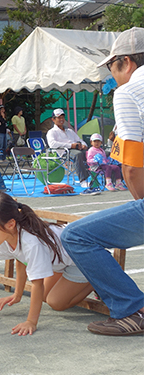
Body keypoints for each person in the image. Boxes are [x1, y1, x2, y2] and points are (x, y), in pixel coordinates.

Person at [61, 27, 144, 336]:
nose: (112, 76)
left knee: (76, 237)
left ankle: (131, 309)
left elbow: (132, 168)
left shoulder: (128, 92)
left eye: (111, 68)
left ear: (125, 62)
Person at [0, 191, 93, 336]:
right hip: (62, 263)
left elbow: (37, 283)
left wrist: (31, 321)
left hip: (82, 258)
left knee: (56, 302)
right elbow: (21, 261)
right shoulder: (4, 236)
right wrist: (17, 294)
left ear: (11, 224)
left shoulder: (31, 242)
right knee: (44, 297)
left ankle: (97, 278)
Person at [46, 108, 91, 189]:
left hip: (76, 149)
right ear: (53, 119)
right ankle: (83, 180)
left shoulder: (69, 131)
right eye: (59, 118)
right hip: (64, 152)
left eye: (62, 117)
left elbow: (79, 140)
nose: (61, 119)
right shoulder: (52, 132)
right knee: (78, 154)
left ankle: (97, 176)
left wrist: (84, 145)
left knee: (92, 152)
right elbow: (52, 144)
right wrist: (71, 145)